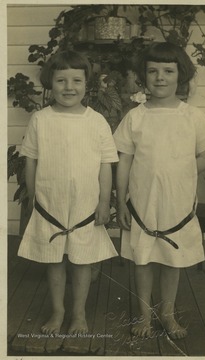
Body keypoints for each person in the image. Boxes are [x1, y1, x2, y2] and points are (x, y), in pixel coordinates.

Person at [113, 41, 205, 339]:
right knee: (143, 258)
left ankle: (167, 314)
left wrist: (181, 170)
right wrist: (120, 200)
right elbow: (124, 160)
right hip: (143, 202)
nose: (160, 77)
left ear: (180, 75)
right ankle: (144, 317)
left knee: (171, 260)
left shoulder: (192, 116)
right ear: (143, 77)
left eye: (168, 71)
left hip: (177, 201)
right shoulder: (135, 116)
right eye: (153, 71)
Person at [18, 50, 119, 335]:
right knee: (54, 258)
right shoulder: (41, 119)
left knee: (82, 260)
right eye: (61, 80)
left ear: (87, 84)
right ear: (50, 82)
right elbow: (31, 161)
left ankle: (78, 314)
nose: (69, 87)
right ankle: (58, 311)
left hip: (86, 205)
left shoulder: (96, 120)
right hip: (51, 202)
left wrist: (103, 203)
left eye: (76, 80)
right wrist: (32, 198)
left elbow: (105, 165)